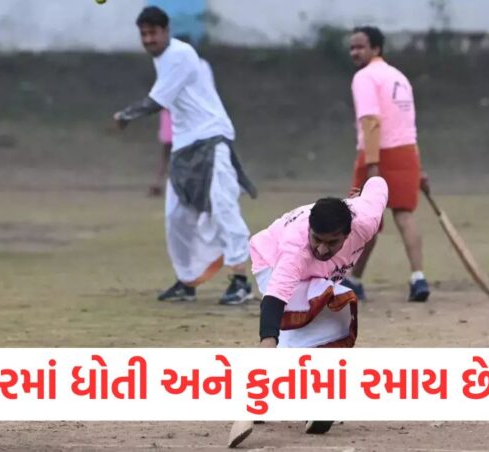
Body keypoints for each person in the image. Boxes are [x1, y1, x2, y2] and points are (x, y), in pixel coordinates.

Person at [113, 6, 257, 305]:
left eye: (153, 33)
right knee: (176, 216)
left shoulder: (180, 54)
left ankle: (241, 281)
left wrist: (126, 115)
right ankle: (187, 281)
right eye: (144, 34)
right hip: (184, 145)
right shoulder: (163, 59)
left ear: (166, 31)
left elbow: (156, 101)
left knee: (223, 206)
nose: (149, 40)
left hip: (212, 137)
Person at [229, 177, 388, 447]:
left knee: (336, 321)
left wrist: (359, 197)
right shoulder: (296, 250)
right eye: (317, 240)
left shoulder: (366, 220)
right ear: (310, 232)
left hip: (317, 274)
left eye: (332, 243)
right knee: (303, 321)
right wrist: (268, 341)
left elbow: (379, 183)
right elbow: (274, 301)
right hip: (271, 260)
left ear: (348, 233)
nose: (322, 249)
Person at [342, 25, 431, 303]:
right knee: (404, 216)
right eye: (352, 47)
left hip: (379, 153)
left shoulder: (364, 77)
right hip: (406, 153)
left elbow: (370, 121)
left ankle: (352, 280)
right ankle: (418, 277)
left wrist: (372, 165)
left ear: (376, 49)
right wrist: (419, 165)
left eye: (361, 47)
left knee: (364, 219)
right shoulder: (400, 77)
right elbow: (410, 125)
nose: (355, 52)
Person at [147, 108, 171, 197]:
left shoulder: (163, 106)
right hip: (174, 135)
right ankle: (156, 185)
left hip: (167, 136)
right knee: (166, 161)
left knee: (164, 161)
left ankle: (156, 184)